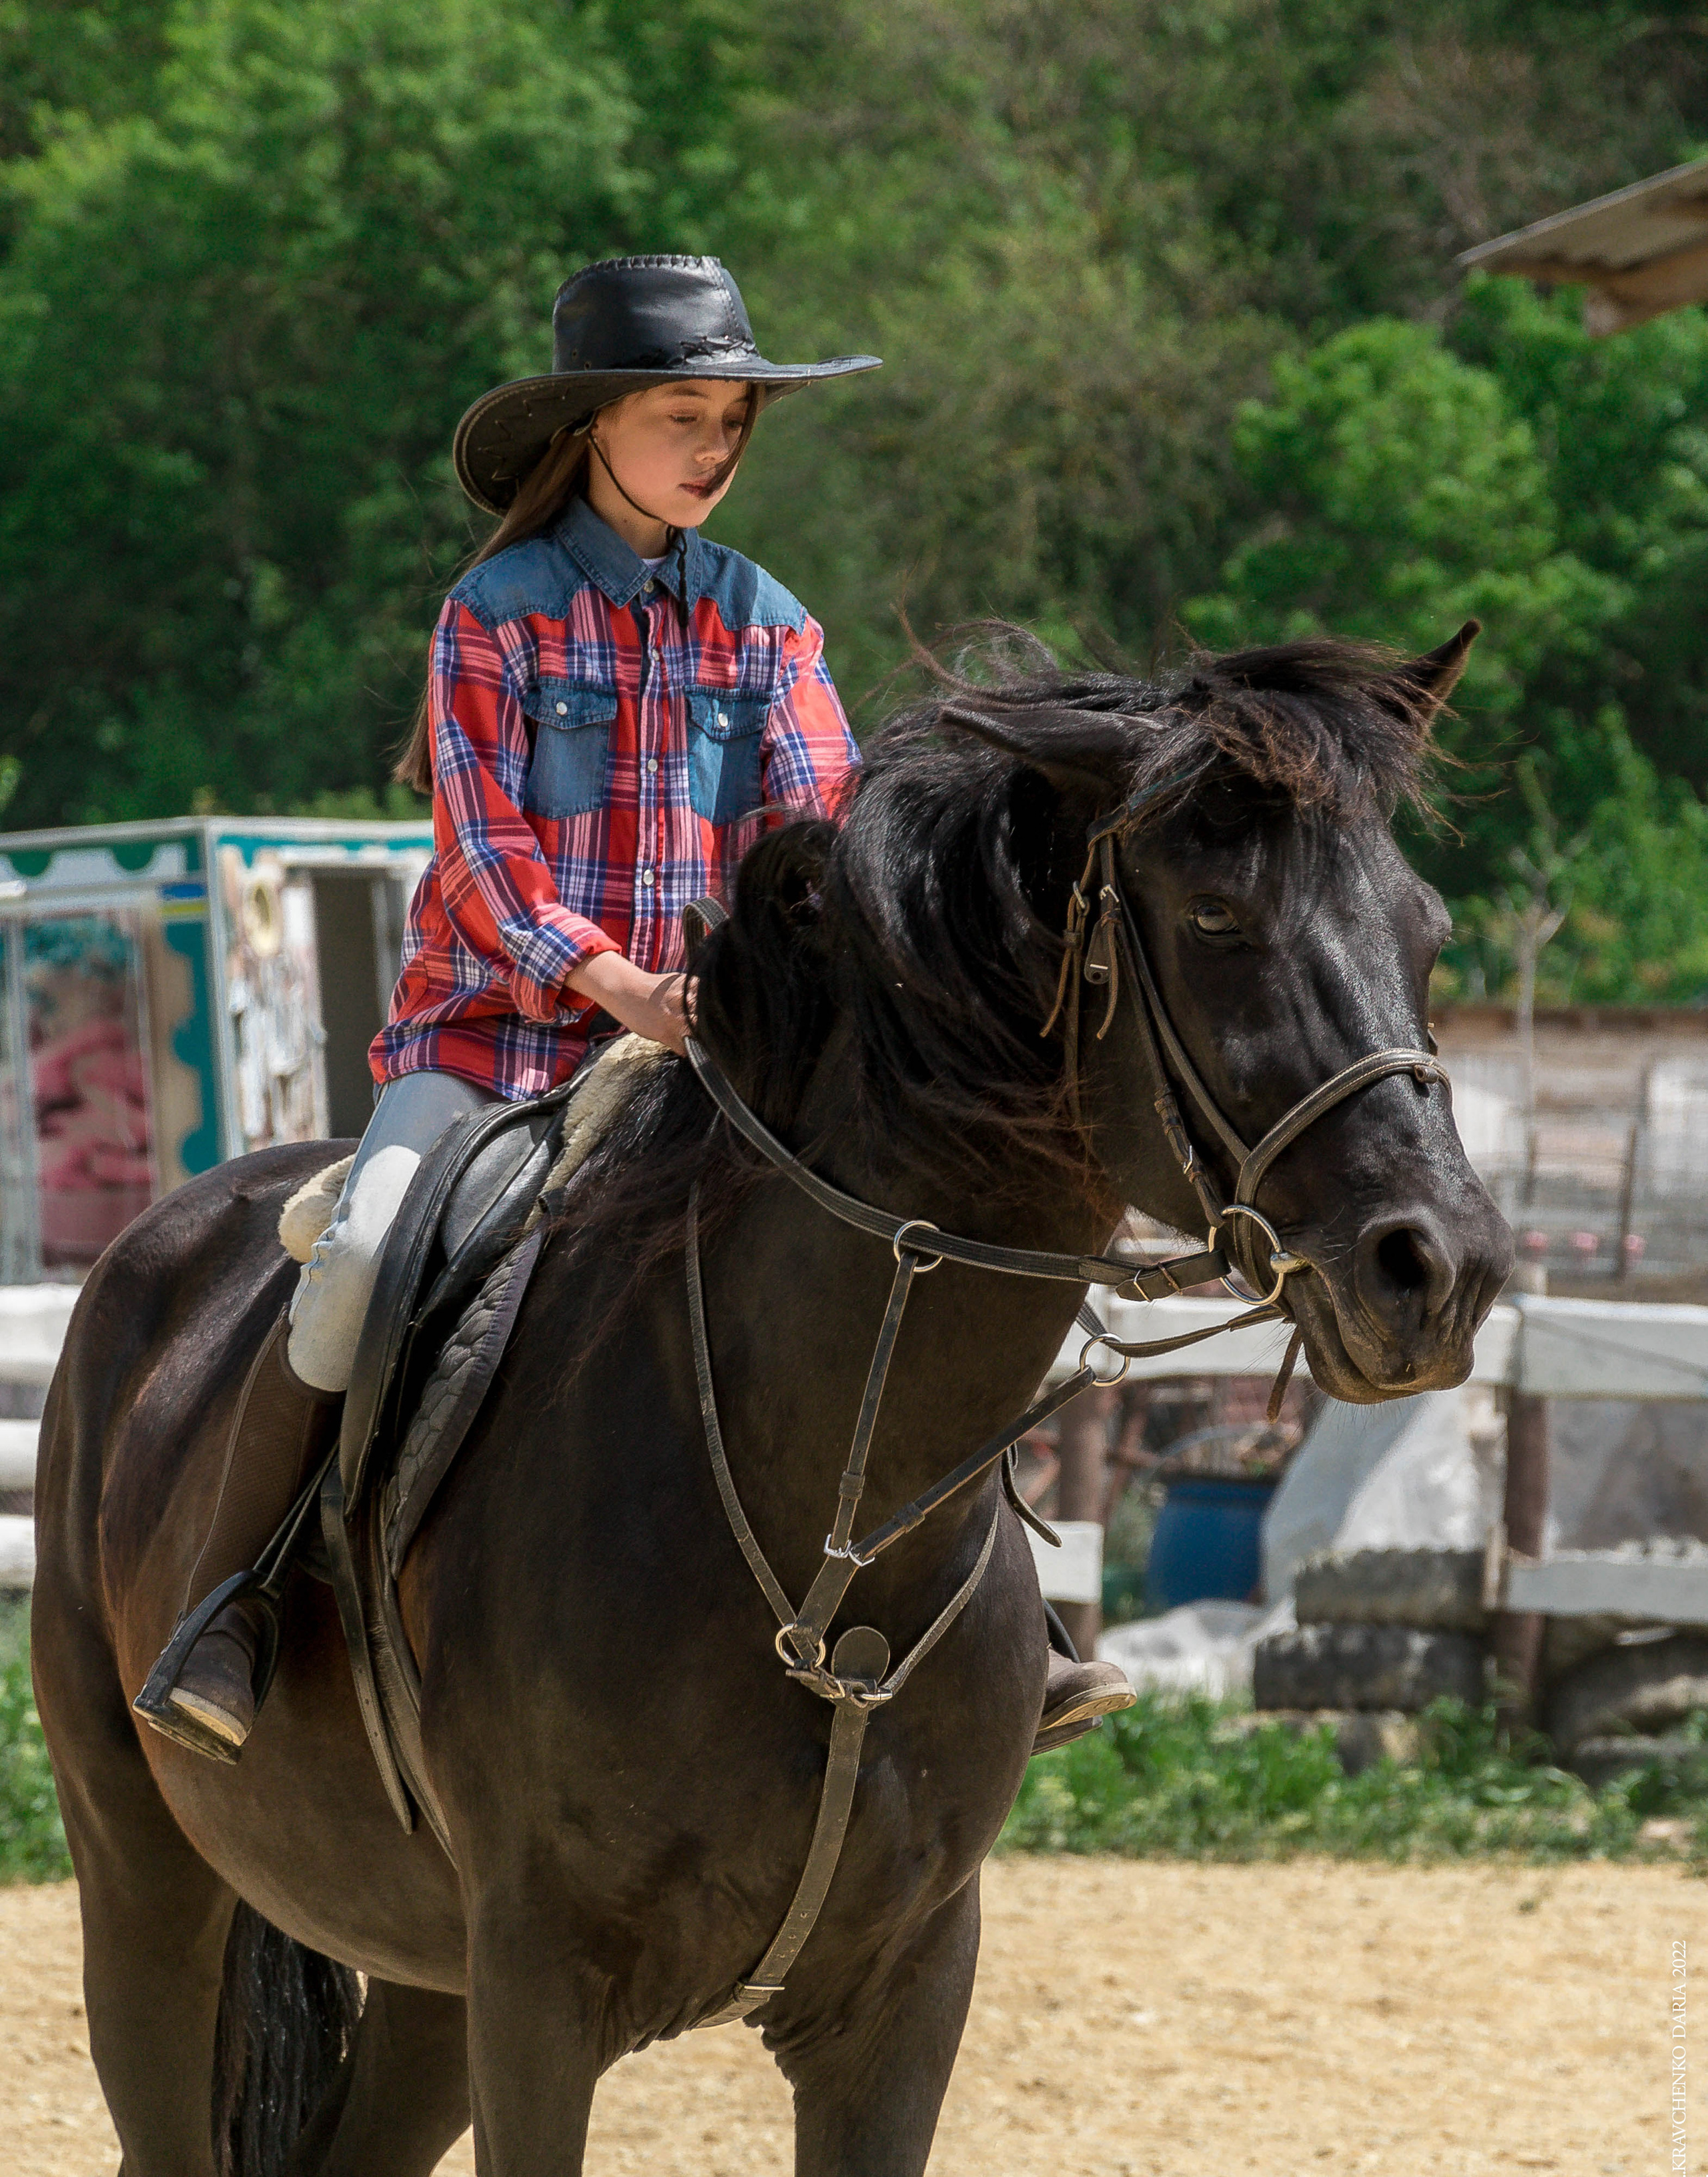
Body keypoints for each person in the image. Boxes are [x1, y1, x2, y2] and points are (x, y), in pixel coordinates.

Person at [137, 254, 1134, 1761]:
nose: (716, 449)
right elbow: (478, 857)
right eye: (686, 415)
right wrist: (616, 986)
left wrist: (793, 977)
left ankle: (1007, 1610)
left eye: (735, 419)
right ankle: (244, 1601)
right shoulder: (497, 612)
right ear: (594, 424)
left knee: (887, 1259)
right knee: (356, 1259)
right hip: (490, 1047)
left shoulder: (770, 625)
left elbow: (821, 829)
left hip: (718, 1061)